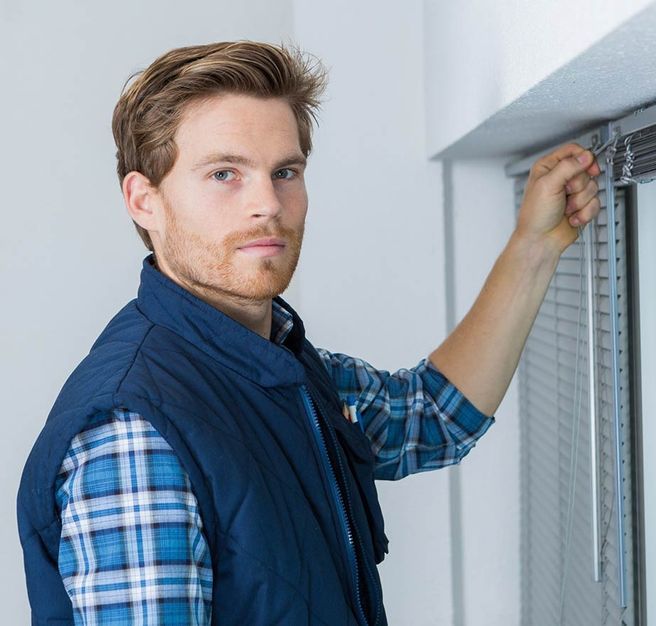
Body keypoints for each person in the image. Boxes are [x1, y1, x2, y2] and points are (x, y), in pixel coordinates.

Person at [17, 41, 602, 625]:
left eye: (285, 172)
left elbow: (433, 415)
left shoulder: (280, 364)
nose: (268, 204)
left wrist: (535, 245)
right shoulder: (137, 430)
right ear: (144, 201)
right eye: (225, 174)